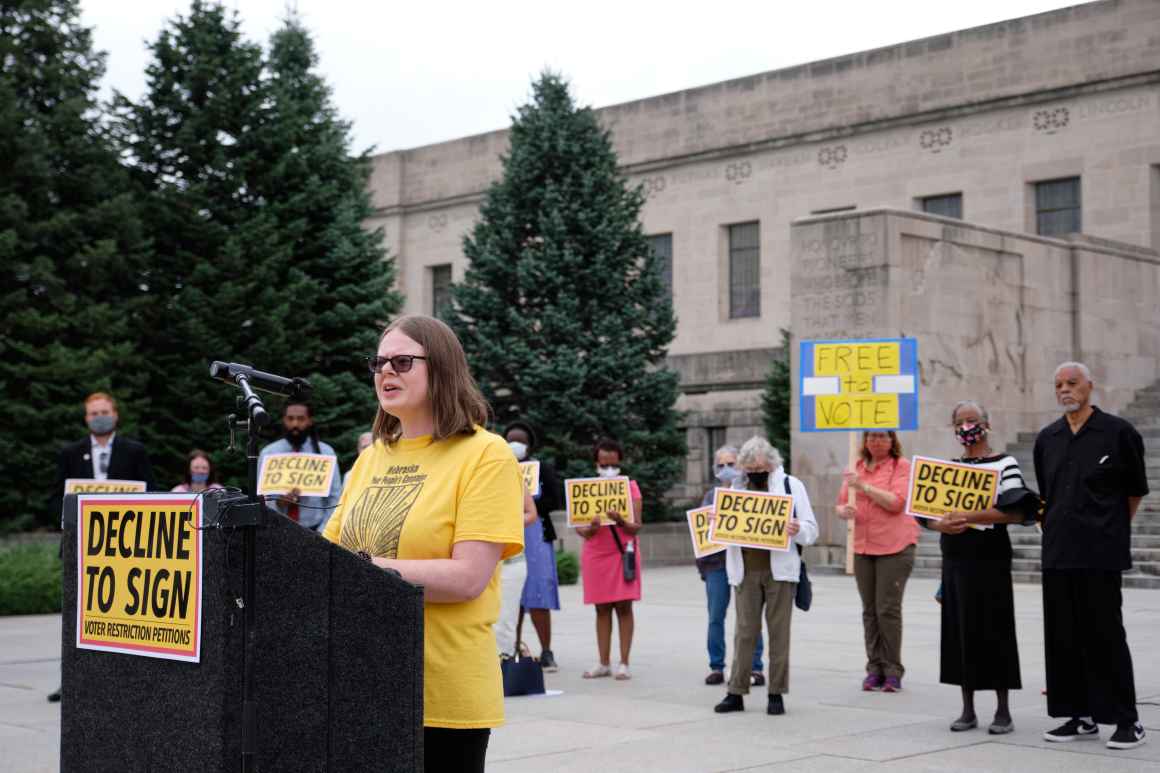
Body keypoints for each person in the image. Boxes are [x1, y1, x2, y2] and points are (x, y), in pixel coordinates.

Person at [322, 314, 523, 773]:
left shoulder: (485, 455)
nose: (386, 372)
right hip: (359, 685)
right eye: (379, 362)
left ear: (443, 368)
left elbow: (468, 577)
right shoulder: (372, 457)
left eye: (403, 361)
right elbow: (325, 557)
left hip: (441, 695)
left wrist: (367, 567)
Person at [1034, 362, 1148, 750]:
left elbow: (1134, 491)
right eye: (1059, 385)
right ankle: (1078, 715)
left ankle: (1126, 720)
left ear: (1089, 386)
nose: (1065, 389)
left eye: (1072, 383)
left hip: (1100, 553)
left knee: (1106, 636)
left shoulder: (1119, 433)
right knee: (1063, 638)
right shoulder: (1047, 438)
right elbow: (1046, 496)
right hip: (1058, 553)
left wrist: (1109, 528)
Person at [921, 401, 1039, 734]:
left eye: (972, 420)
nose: (966, 426)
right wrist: (938, 526)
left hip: (990, 559)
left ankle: (1003, 710)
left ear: (986, 424)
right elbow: (924, 513)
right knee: (960, 632)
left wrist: (970, 516)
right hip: (956, 559)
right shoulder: (949, 468)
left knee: (995, 629)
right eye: (960, 421)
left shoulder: (1005, 463)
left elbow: (1017, 512)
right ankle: (967, 708)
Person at [49, 391, 155, 703]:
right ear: (86, 419)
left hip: (124, 549)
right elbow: (56, 496)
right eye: (93, 413)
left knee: (125, 616)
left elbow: (150, 490)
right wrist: (68, 516)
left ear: (116, 414)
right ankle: (70, 681)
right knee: (74, 616)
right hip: (81, 547)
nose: (99, 417)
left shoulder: (134, 451)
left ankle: (127, 680)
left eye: (104, 411)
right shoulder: (70, 453)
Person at [714, 437, 818, 716]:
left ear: (772, 464)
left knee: (779, 634)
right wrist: (717, 522)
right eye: (751, 467)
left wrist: (798, 529)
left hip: (780, 572)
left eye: (762, 466)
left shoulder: (790, 485)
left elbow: (812, 529)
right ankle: (735, 692)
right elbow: (725, 528)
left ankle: (776, 693)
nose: (757, 471)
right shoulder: (735, 487)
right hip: (746, 569)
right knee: (745, 632)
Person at [836, 431, 917, 693]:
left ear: (893, 441)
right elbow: (840, 503)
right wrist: (843, 510)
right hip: (862, 546)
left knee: (887, 610)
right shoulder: (855, 467)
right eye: (871, 437)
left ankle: (893, 670)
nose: (876, 441)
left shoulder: (900, 466)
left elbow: (896, 503)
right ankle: (874, 668)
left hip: (894, 546)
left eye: (883, 437)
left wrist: (864, 487)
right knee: (869, 611)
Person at [578, 437, 643, 681]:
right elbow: (580, 530)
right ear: (596, 463)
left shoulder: (631, 487)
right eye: (603, 464)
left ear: (620, 463)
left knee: (624, 607)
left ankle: (623, 663)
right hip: (596, 554)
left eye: (613, 464)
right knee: (601, 608)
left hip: (622, 552)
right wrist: (593, 528)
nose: (608, 469)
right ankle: (603, 662)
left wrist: (621, 520)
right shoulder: (584, 490)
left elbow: (636, 527)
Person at [700, 445, 764, 686]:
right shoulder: (710, 496)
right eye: (721, 465)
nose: (726, 469)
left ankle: (755, 667)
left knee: (749, 616)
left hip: (745, 562)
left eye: (731, 464)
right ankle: (716, 666)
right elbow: (701, 535)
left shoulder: (751, 492)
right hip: (716, 564)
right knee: (716, 615)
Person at [505, 420, 563, 672]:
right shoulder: (499, 467)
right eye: (511, 439)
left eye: (521, 440)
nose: (516, 444)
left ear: (529, 445)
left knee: (538, 594)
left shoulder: (543, 469)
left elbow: (555, 498)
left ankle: (546, 651)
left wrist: (529, 506)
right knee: (511, 598)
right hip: (509, 534)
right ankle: (512, 647)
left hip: (536, 537)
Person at [259, 399, 342, 533]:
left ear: (310, 421)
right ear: (283, 420)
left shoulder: (325, 452)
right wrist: (278, 503)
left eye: (301, 419)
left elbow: (335, 497)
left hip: (317, 530)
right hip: (278, 530)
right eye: (290, 418)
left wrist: (323, 531)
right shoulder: (269, 453)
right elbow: (262, 497)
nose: (295, 424)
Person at [495, 486, 538, 657]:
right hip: (475, 563)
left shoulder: (512, 474)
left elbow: (531, 513)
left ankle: (503, 666)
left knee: (504, 623)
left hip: (509, 565)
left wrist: (503, 522)